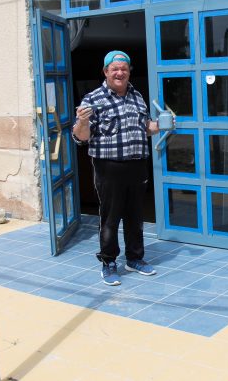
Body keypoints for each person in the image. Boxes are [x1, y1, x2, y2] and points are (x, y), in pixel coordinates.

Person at [73, 50, 160, 286]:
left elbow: (146, 127)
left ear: (129, 71)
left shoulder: (137, 97)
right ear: (106, 72)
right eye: (115, 69)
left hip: (137, 165)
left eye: (124, 68)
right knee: (110, 218)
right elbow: (80, 138)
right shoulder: (93, 99)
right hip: (109, 167)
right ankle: (108, 262)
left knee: (135, 216)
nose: (120, 72)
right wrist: (81, 121)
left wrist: (160, 125)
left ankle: (134, 258)